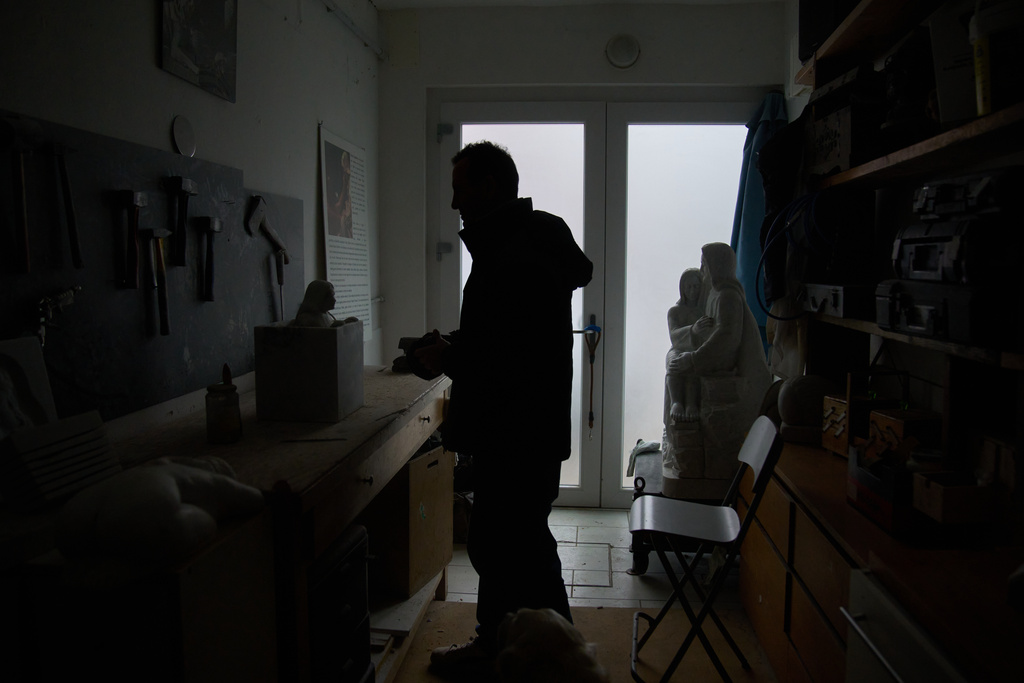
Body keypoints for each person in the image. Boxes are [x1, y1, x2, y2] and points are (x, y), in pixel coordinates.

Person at [414, 141, 593, 680]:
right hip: (526, 430)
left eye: (460, 189)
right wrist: (457, 344)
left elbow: (505, 359)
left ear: (489, 187)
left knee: (517, 549)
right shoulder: (527, 241)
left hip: (515, 431)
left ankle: (561, 659)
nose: (454, 203)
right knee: (507, 544)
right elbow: (510, 339)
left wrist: (450, 356)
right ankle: (511, 646)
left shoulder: (509, 252)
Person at [665, 267, 705, 423]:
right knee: (674, 364)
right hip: (678, 348)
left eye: (696, 286)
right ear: (682, 288)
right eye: (688, 286)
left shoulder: (703, 310)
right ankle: (676, 402)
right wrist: (693, 329)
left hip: (697, 348)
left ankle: (690, 404)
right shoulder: (674, 311)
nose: (692, 290)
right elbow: (674, 336)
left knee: (693, 365)